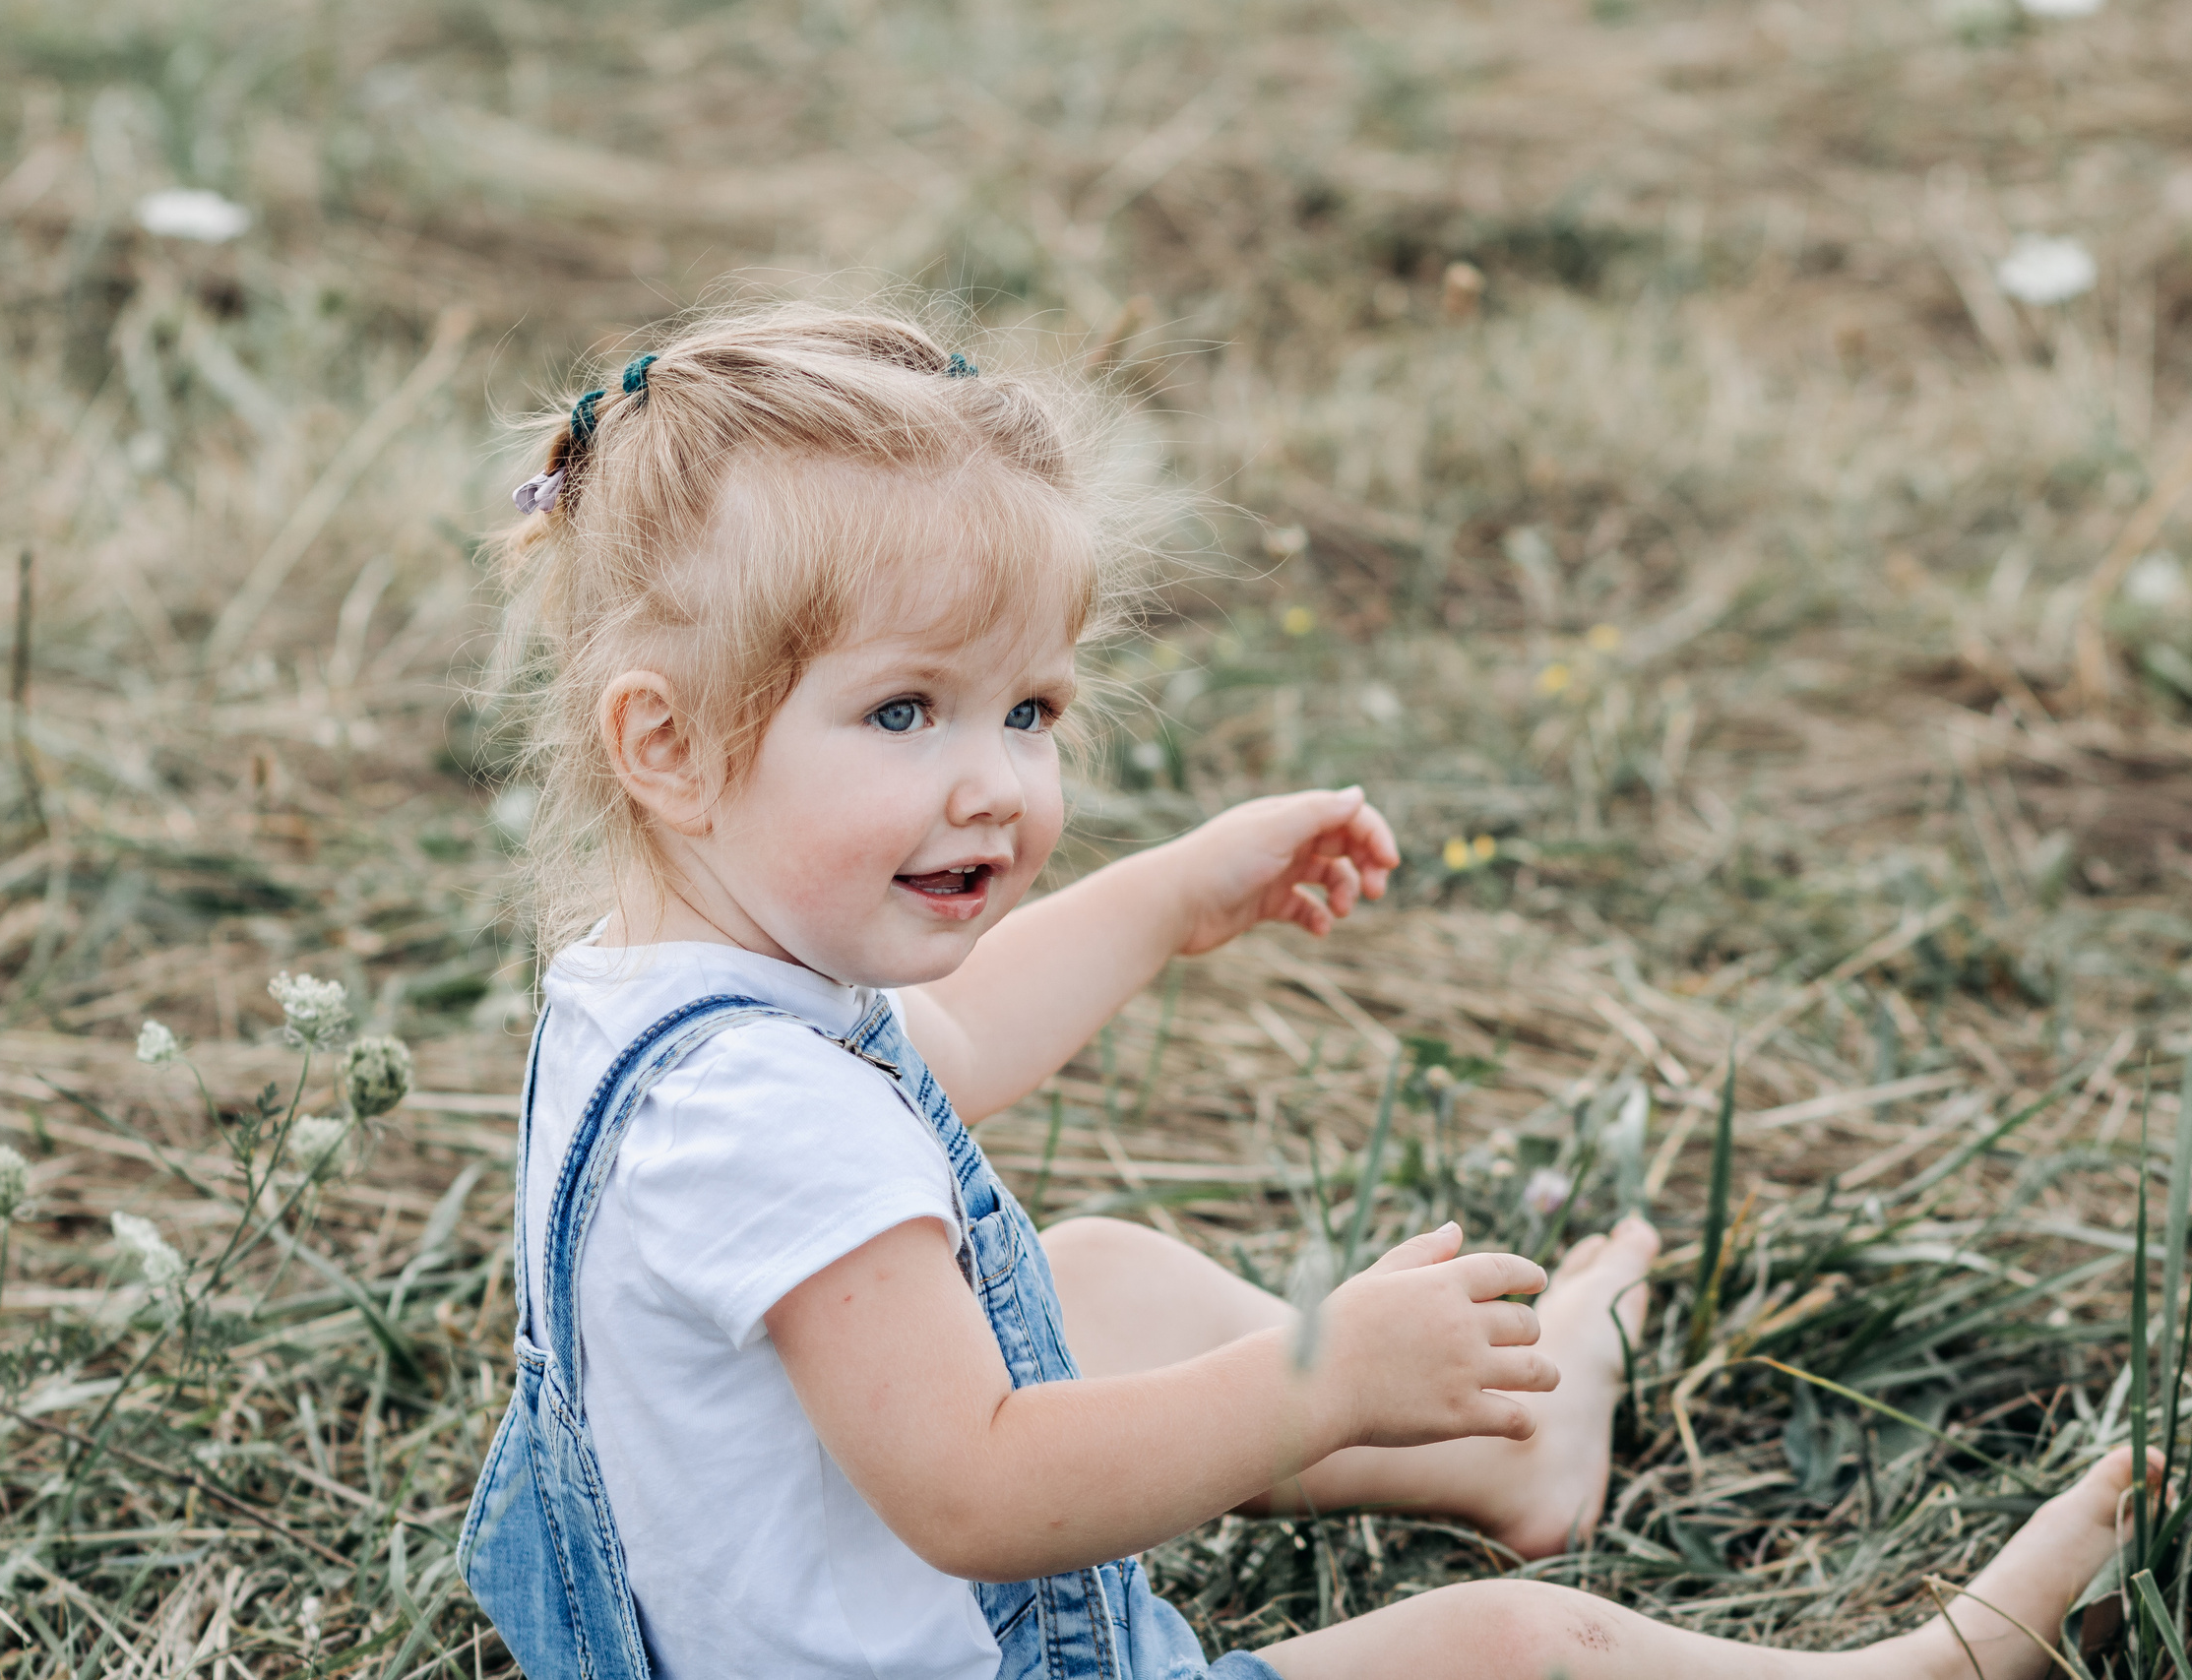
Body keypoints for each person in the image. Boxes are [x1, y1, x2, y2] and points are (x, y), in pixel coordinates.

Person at [456, 304, 2140, 1680]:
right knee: (1508, 1651)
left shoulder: (665, 991)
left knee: (1091, 1279)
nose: (996, 786)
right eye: (906, 713)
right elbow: (976, 1487)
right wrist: (1315, 1379)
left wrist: (1174, 892)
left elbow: (950, 1047)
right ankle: (1910, 1673)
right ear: (665, 745)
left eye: (1028, 710)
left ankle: (1499, 1449)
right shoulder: (761, 1116)